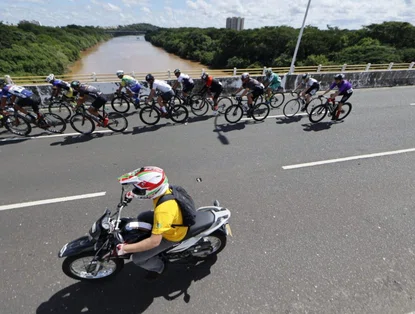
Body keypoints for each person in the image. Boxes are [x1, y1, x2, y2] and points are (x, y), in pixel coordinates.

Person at [116, 166, 189, 281]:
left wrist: (125, 248)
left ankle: (159, 267)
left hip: (172, 235)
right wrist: (133, 194)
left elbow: (154, 242)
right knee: (142, 217)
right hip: (171, 219)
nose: (137, 191)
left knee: (138, 259)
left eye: (139, 190)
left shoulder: (163, 211)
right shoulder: (165, 188)